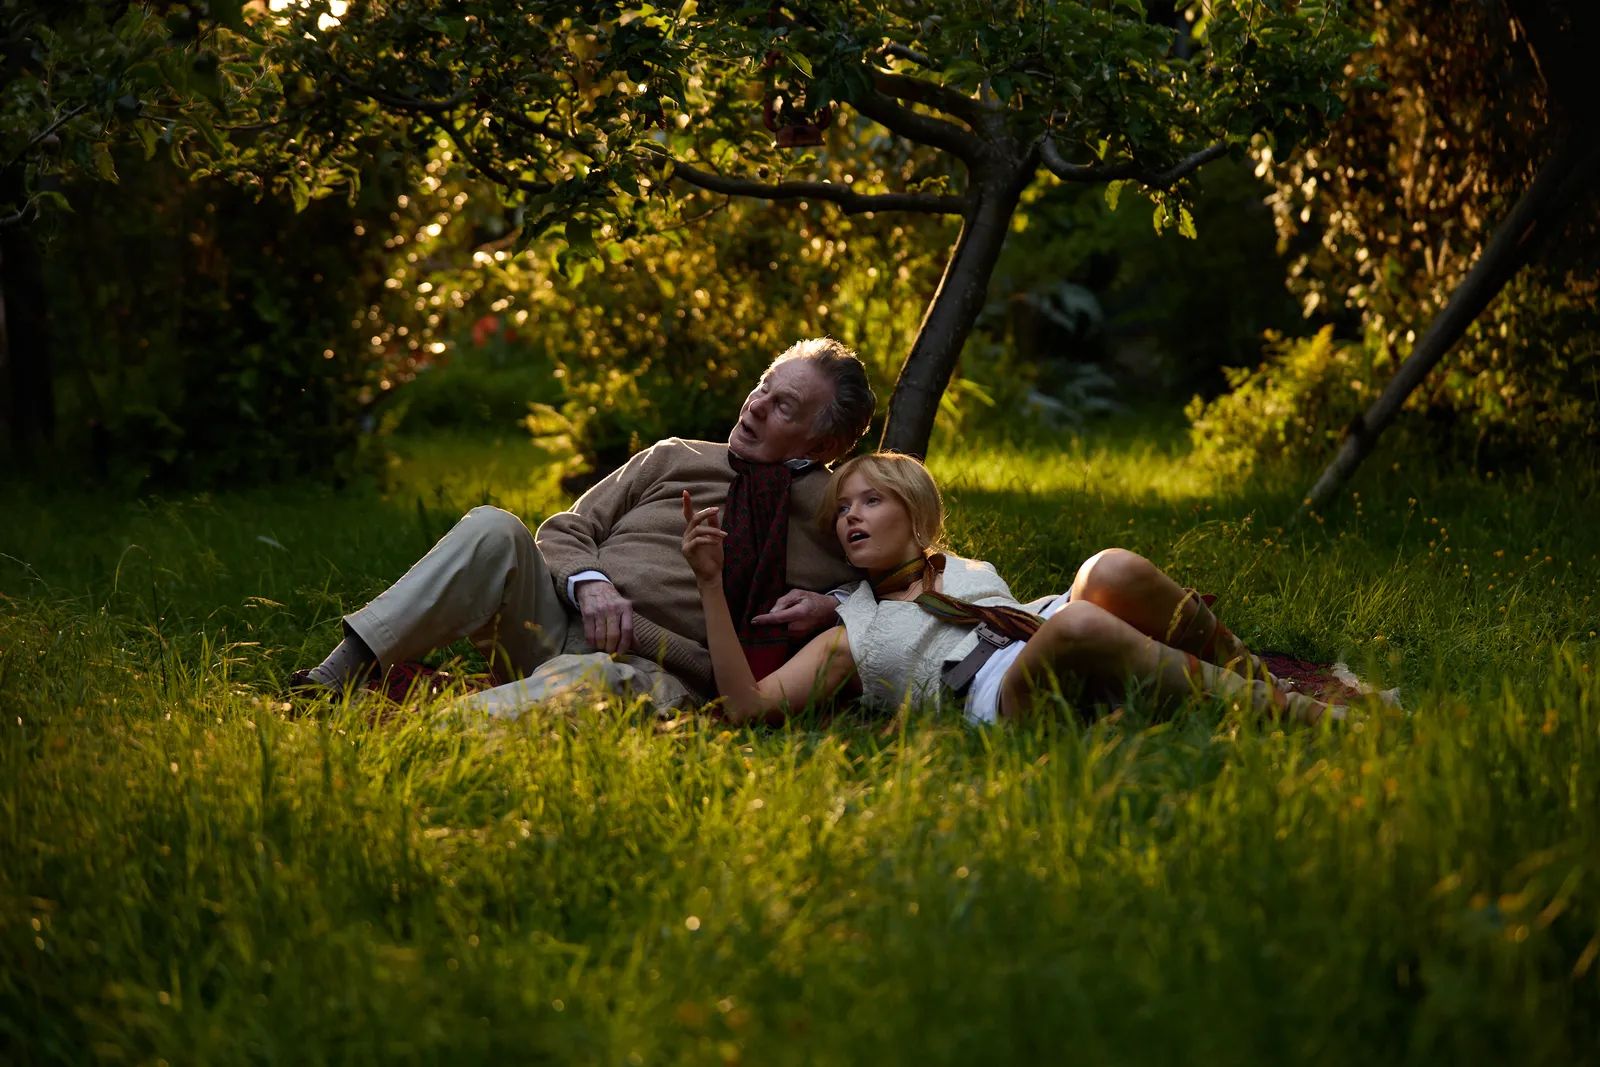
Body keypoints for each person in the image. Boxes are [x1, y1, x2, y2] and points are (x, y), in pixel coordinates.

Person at [291, 337, 876, 713]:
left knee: (591, 680)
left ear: (822, 441)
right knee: (494, 527)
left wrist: (838, 604)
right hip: (553, 621)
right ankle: (335, 676)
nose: (754, 406)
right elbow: (566, 530)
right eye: (762, 388)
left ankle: (420, 727)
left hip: (653, 667)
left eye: (783, 407)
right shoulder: (675, 456)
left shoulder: (833, 506)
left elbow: (909, 581)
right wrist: (590, 583)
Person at [681, 452, 1342, 726]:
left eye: (870, 500)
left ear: (915, 515)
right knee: (1077, 626)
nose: (850, 515)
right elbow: (745, 704)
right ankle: (1307, 721)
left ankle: (1258, 680)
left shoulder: (960, 568)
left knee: (1107, 567)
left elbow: (1026, 614)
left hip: (1041, 627)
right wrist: (710, 584)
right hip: (997, 693)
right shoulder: (849, 632)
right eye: (842, 509)